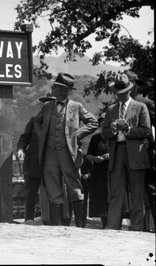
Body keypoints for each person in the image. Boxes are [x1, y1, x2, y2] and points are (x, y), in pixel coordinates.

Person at [35, 72, 98, 227]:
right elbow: (37, 122)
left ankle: (79, 226)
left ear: (63, 90)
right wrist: (41, 135)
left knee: (75, 188)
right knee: (53, 187)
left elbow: (93, 122)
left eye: (56, 86)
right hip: (50, 154)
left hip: (69, 154)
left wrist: (77, 135)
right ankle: (57, 226)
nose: (53, 88)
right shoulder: (47, 107)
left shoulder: (76, 107)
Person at [103, 73, 151, 231]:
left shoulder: (140, 107)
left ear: (129, 91)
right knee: (116, 193)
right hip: (117, 154)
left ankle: (137, 228)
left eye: (123, 93)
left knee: (137, 194)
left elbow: (146, 131)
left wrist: (128, 130)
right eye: (118, 93)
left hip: (136, 155)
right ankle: (112, 228)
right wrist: (111, 130)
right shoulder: (111, 110)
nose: (121, 96)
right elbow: (104, 133)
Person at [16, 93, 55, 224]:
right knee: (30, 193)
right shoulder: (34, 121)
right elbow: (24, 138)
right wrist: (21, 149)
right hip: (32, 163)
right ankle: (29, 219)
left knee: (52, 193)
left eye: (51, 103)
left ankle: (51, 220)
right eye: (46, 103)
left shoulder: (58, 122)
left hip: (50, 164)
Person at [124, 70, 155, 231]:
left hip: (147, 151)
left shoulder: (146, 104)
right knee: (133, 190)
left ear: (135, 85)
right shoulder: (121, 102)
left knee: (150, 190)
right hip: (128, 154)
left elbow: (150, 129)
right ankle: (139, 225)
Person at [84, 113, 109, 228]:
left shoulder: (113, 137)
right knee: (101, 198)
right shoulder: (95, 138)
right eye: (101, 121)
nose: (103, 123)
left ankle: (113, 222)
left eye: (105, 120)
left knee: (111, 196)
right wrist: (96, 158)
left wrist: (109, 155)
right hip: (98, 173)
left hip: (111, 172)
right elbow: (88, 155)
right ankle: (104, 223)